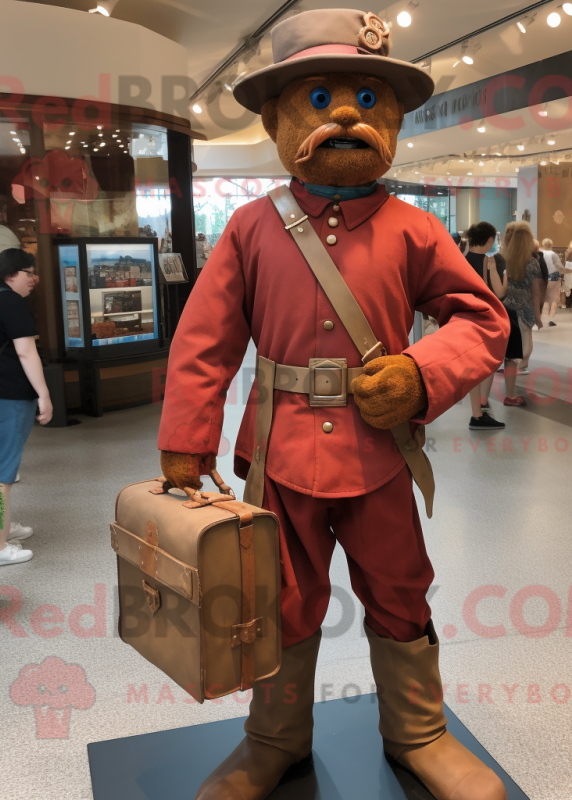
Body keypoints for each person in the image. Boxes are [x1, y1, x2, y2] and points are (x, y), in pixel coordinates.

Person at [157, 10, 509, 799]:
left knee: (400, 585)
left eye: (365, 98)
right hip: (277, 457)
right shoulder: (249, 229)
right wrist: (187, 441)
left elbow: (483, 317)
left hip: (379, 454)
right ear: (279, 115)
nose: (345, 114)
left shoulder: (416, 229)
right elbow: (204, 339)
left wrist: (422, 373)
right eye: (320, 96)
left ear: (391, 116)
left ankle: (418, 730)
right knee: (279, 598)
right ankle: (274, 738)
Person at [0, 248, 52, 565]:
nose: (34, 279)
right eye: (29, 272)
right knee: (1, 473)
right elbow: (25, 353)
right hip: (7, 397)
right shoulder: (9, 302)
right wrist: (44, 394)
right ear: (11, 273)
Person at [464, 221, 524, 429]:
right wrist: (503, 275)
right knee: (485, 362)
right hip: (486, 317)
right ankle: (477, 414)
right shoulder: (490, 262)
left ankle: (478, 410)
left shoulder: (460, 260)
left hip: (466, 317)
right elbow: (499, 292)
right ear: (489, 240)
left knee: (474, 364)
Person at [502, 221, 542, 393]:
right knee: (527, 338)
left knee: (508, 341)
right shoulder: (532, 262)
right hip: (525, 307)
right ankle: (522, 364)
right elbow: (536, 292)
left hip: (505, 307)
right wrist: (538, 316)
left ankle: (511, 364)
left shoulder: (502, 258)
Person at [540, 237, 564, 326]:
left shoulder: (540, 253)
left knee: (544, 298)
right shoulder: (553, 254)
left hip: (542, 277)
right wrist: (562, 274)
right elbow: (559, 266)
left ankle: (543, 317)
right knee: (554, 298)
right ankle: (551, 317)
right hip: (553, 277)